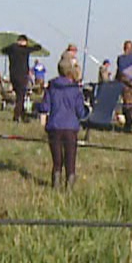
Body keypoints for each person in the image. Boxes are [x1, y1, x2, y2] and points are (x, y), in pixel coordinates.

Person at [36, 55, 90, 187]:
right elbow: (81, 113)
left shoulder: (51, 87)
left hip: (54, 128)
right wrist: (88, 111)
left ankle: (56, 185)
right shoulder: (75, 90)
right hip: (71, 129)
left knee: (57, 161)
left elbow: (45, 107)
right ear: (70, 71)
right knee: (70, 160)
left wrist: (35, 105)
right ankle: (69, 190)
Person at [1, 34, 36, 121]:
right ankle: (16, 116)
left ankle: (23, 115)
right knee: (21, 97)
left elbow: (3, 50)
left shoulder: (11, 49)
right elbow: (36, 48)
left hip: (13, 76)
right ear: (24, 42)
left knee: (19, 95)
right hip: (22, 76)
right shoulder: (25, 50)